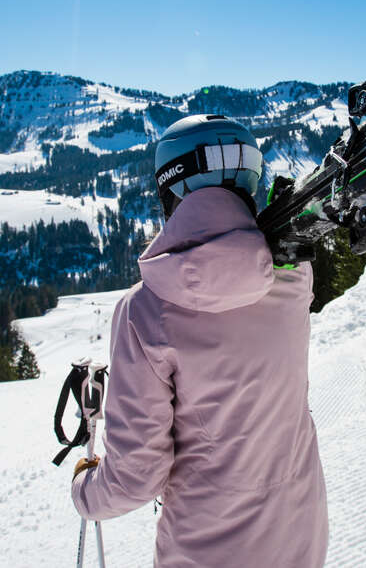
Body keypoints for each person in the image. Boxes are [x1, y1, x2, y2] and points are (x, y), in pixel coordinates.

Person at [71, 114, 328, 567]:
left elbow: (137, 477)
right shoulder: (292, 276)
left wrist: (85, 491)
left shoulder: (145, 313)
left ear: (171, 191)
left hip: (206, 551)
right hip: (300, 535)